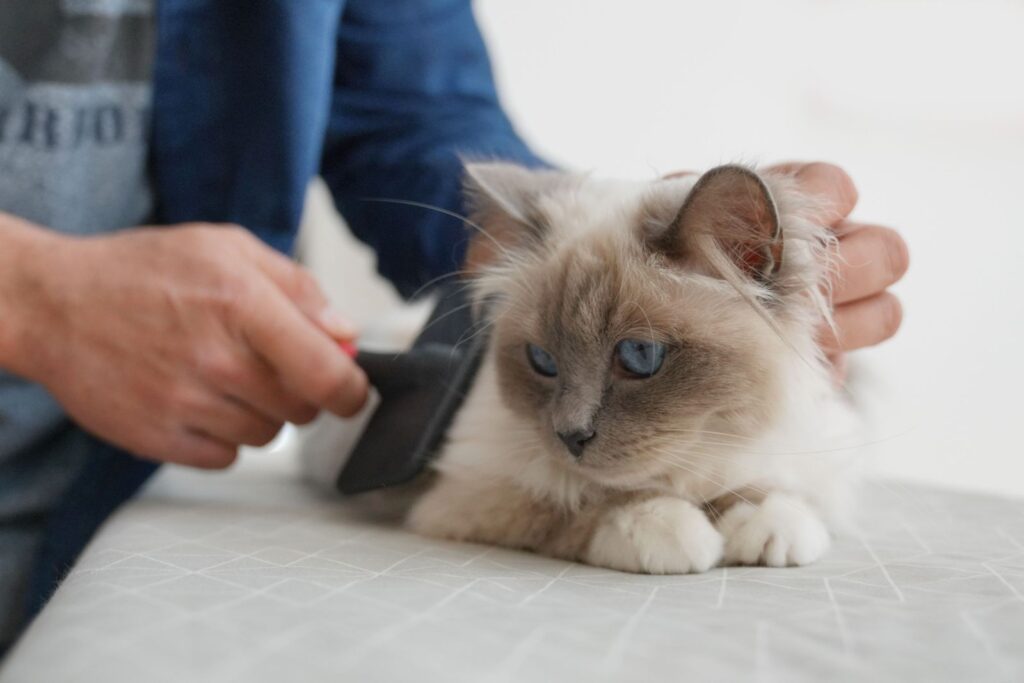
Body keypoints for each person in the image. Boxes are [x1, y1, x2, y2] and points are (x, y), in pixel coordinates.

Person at [0, 0, 908, 652]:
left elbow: (423, 122)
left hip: (98, 512)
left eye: (637, 360)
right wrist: (35, 294)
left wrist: (625, 239)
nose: (575, 426)